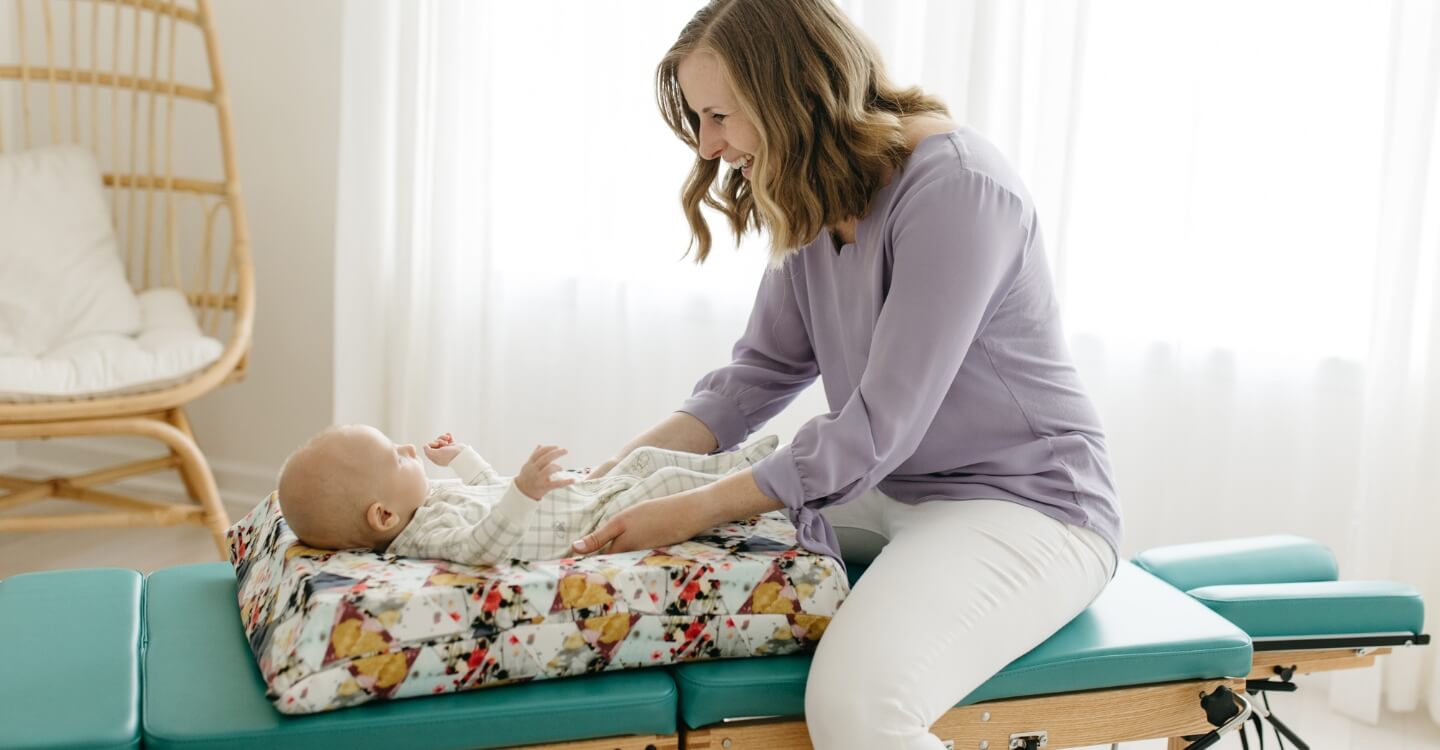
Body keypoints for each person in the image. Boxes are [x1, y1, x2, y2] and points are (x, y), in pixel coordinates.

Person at [567, 1, 1123, 747]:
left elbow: (874, 429)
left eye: (720, 115)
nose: (708, 147)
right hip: (888, 490)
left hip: (1026, 506)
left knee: (858, 708)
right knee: (668, 528)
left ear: (789, 92)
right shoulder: (818, 192)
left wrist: (696, 506)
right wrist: (619, 477)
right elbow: (755, 376)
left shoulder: (957, 189)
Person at [275, 424, 777, 566]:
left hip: (583, 497)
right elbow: (482, 546)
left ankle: (728, 465)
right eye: (397, 456)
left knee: (642, 460)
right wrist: (523, 491)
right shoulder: (424, 535)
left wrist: (465, 459)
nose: (409, 447)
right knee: (659, 485)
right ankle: (747, 473)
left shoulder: (426, 506)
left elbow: (485, 492)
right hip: (586, 526)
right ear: (383, 516)